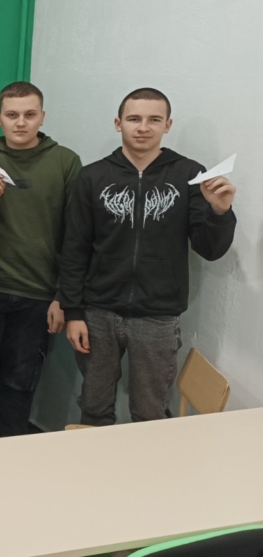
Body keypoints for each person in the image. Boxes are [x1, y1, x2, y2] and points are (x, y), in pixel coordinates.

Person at [59, 88, 236, 426]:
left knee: (150, 413)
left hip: (158, 315)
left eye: (154, 119)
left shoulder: (189, 174)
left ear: (167, 125)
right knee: (94, 406)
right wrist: (73, 312)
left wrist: (219, 212)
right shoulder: (93, 176)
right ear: (118, 123)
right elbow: (74, 248)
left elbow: (210, 249)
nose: (143, 127)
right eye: (134, 118)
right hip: (98, 312)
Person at [0, 81, 82, 439]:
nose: (20, 122)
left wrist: (64, 297)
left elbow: (76, 236)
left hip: (38, 294)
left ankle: (13, 458)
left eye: (29, 114)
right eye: (12, 115)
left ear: (42, 117)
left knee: (20, 385)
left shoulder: (66, 162)